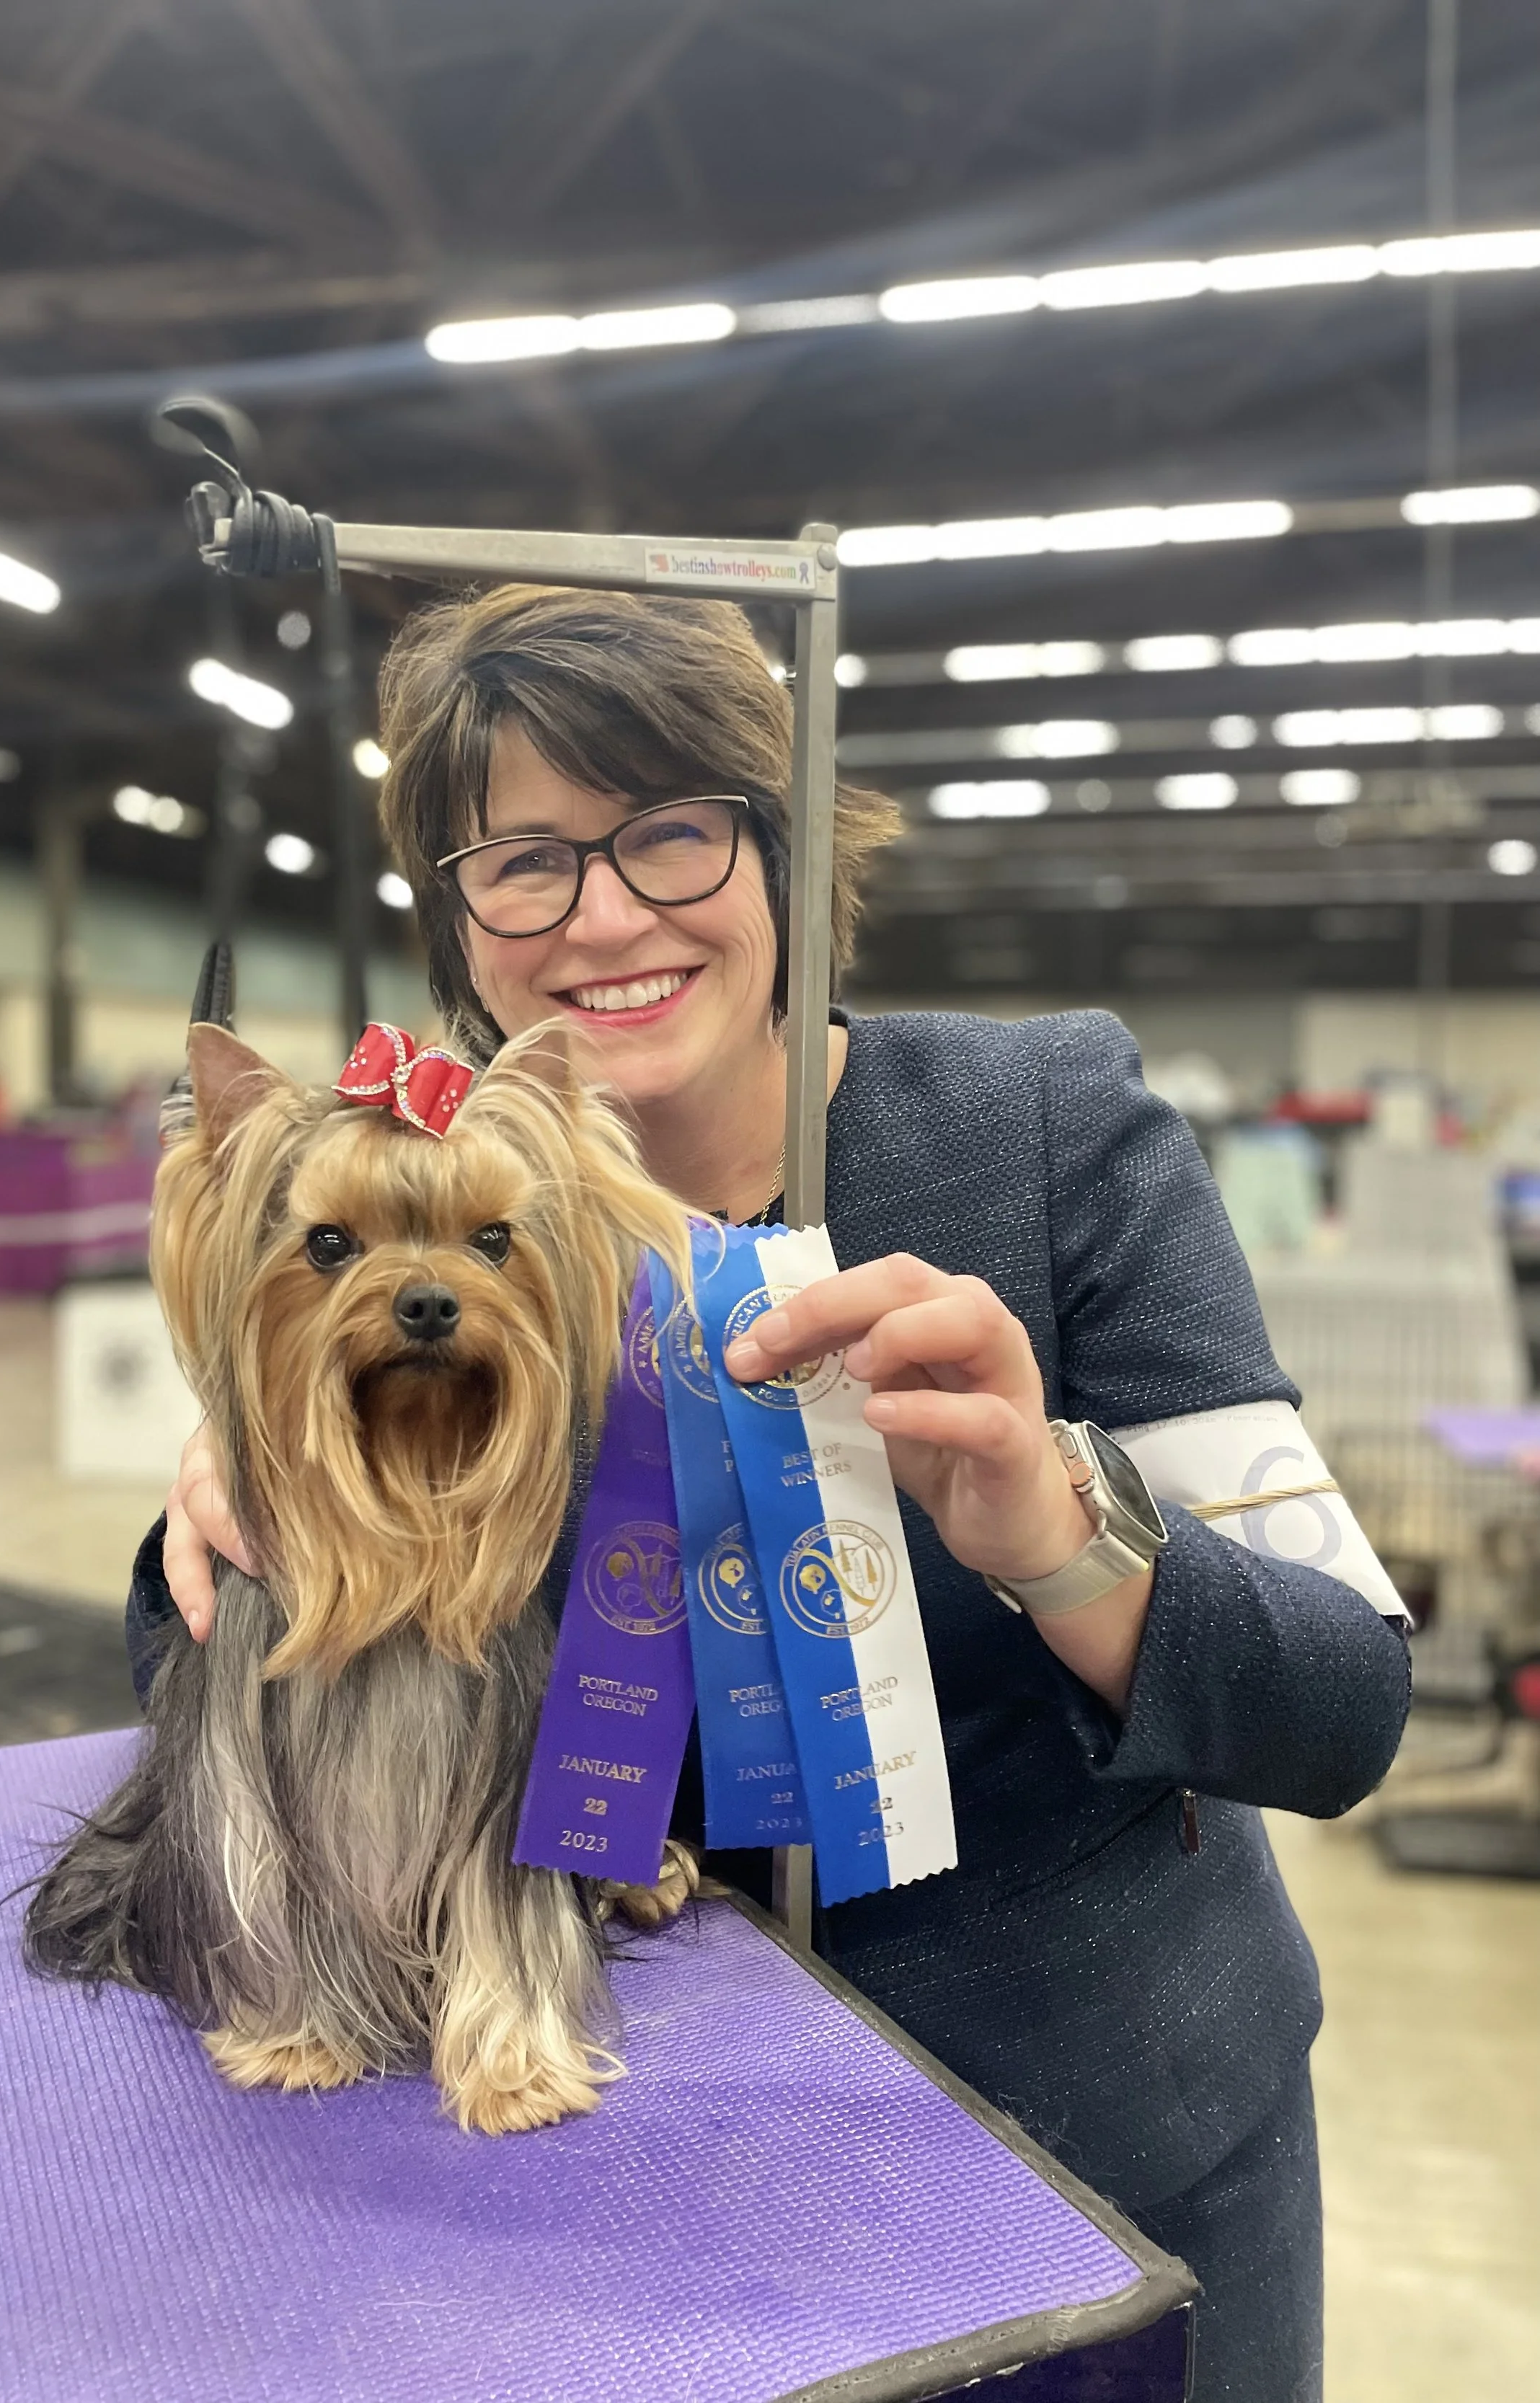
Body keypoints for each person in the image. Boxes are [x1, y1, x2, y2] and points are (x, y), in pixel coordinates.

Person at [127, 584, 1409, 2403]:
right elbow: (211, 1695)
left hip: (1103, 2150)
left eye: (669, 832)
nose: (607, 915)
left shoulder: (1049, 1126)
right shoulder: (416, 1228)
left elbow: (1343, 1698)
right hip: (604, 2152)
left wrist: (1059, 1532)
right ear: (456, 920)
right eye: (522, 860)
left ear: (786, 851)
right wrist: (261, 1475)